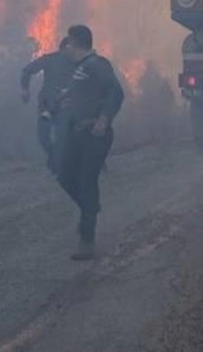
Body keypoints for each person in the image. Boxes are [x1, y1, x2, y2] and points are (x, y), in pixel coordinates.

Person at [54, 24, 124, 260]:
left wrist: (104, 119)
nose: (67, 47)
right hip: (77, 132)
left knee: (86, 180)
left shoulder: (98, 64)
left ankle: (87, 240)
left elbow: (116, 92)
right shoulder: (81, 68)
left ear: (76, 43)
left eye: (69, 43)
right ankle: (90, 207)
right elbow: (83, 93)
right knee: (63, 174)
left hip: (95, 133)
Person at [20, 36, 75, 175]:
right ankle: (53, 158)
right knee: (43, 135)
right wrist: (25, 90)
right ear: (63, 48)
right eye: (70, 47)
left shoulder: (78, 62)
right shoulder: (50, 59)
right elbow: (27, 70)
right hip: (47, 105)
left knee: (63, 135)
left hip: (66, 105)